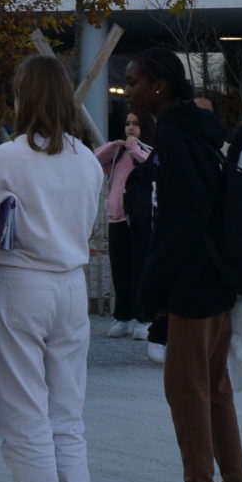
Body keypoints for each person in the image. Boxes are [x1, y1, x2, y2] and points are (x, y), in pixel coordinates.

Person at [0, 55, 106, 482]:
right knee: (66, 410)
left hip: (18, 282)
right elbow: (89, 224)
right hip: (70, 285)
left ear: (23, 97)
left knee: (22, 410)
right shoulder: (87, 159)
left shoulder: (7, 158)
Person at [125, 48, 242, 482]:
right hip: (216, 279)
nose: (128, 91)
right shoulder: (198, 132)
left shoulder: (175, 137)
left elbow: (182, 220)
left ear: (158, 86)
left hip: (193, 284)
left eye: (133, 81)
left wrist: (151, 284)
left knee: (186, 391)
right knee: (215, 391)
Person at [96, 112, 156, 338]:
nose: (130, 128)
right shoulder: (117, 155)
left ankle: (143, 318)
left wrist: (133, 148)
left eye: (136, 124)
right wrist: (112, 146)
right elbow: (93, 161)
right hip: (116, 218)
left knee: (140, 269)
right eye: (128, 123)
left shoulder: (148, 151)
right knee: (120, 271)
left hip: (140, 219)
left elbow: (151, 166)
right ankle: (123, 316)